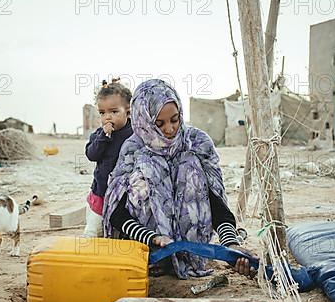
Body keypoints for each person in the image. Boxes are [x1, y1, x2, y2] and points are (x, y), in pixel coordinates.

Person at [103, 79, 255, 279]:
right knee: (146, 167)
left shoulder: (197, 143)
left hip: (194, 249)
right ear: (143, 121)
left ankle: (187, 256)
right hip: (148, 247)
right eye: (159, 123)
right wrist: (153, 238)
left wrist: (230, 245)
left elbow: (216, 204)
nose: (169, 129)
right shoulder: (133, 150)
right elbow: (117, 212)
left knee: (189, 163)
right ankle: (161, 258)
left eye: (175, 120)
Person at [83, 82, 133, 237]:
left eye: (114, 111)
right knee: (94, 231)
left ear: (129, 112)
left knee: (120, 233)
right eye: (102, 113)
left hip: (124, 197)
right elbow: (91, 154)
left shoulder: (135, 134)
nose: (107, 117)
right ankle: (87, 255)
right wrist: (104, 137)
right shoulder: (99, 135)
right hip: (101, 193)